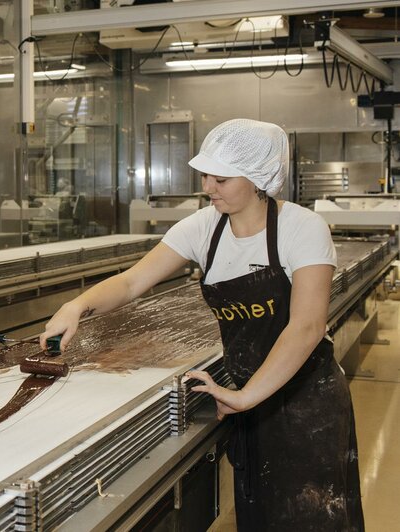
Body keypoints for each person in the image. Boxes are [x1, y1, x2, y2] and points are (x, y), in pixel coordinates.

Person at [40, 119, 364, 531]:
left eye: (221, 178)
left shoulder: (301, 228)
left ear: (257, 178)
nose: (208, 186)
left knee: (313, 517)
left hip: (304, 400)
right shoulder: (203, 228)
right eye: (206, 175)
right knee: (259, 516)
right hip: (245, 395)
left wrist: (246, 397)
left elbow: (306, 326)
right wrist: (76, 305)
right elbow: (132, 281)